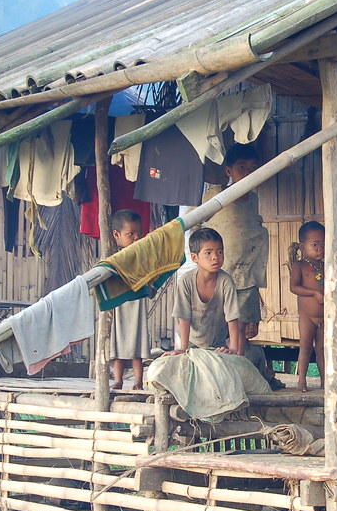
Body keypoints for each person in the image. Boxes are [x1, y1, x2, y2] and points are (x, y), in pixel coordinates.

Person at [202, 144, 283, 389]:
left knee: (244, 331)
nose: (248, 173)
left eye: (253, 169)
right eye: (241, 168)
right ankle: (217, 380)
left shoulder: (253, 201)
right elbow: (202, 231)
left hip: (246, 275)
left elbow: (250, 235)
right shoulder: (215, 197)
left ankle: (252, 378)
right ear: (228, 170)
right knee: (216, 331)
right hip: (219, 275)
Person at [167, 228, 243, 358]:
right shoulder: (186, 281)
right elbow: (184, 317)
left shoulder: (226, 282)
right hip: (191, 341)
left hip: (217, 343)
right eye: (208, 253)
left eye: (220, 251)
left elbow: (232, 317)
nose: (215, 257)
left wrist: (234, 349)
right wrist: (183, 349)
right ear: (194, 257)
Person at [109, 210, 149, 390]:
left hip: (136, 304)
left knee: (137, 342)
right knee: (116, 343)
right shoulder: (112, 258)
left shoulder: (142, 255)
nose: (136, 238)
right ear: (117, 235)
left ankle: (138, 381)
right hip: (118, 304)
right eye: (130, 234)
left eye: (138, 234)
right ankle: (118, 380)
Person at [288, 221, 325, 392]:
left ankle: (326, 381)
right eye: (315, 244)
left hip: (324, 317)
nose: (320, 248)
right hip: (307, 317)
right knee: (306, 348)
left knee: (322, 350)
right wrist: (314, 293)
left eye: (323, 244)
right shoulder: (300, 266)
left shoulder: (325, 266)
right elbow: (294, 287)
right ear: (302, 247)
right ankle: (302, 381)